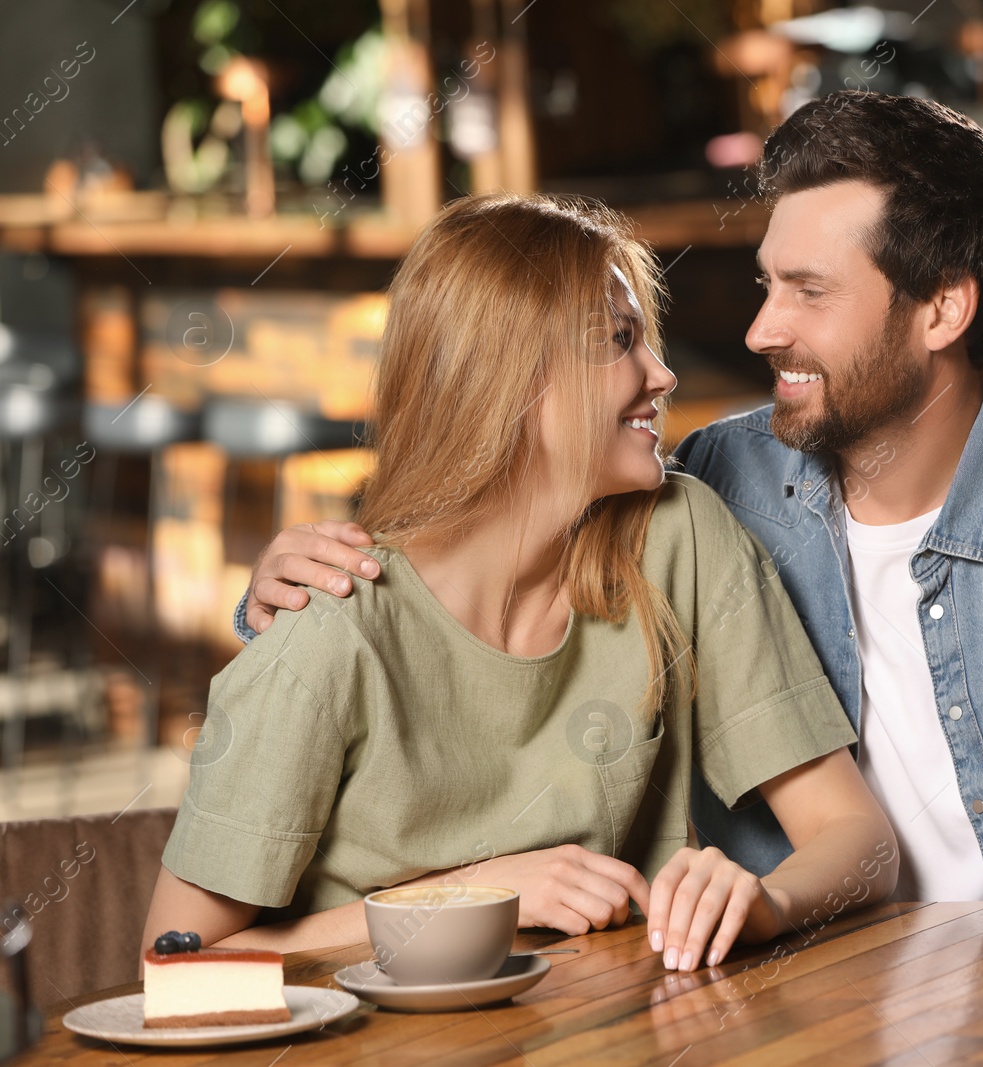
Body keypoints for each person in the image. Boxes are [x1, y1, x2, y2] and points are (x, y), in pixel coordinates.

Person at [237, 92, 983, 902]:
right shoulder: (711, 486)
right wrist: (303, 587)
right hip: (803, 1000)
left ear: (941, 310)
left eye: (808, 292)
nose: (762, 328)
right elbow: (490, 546)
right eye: (768, 283)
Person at [145, 193, 897, 974]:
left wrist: (763, 900)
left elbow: (861, 841)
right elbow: (173, 962)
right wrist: (469, 895)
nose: (662, 374)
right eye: (617, 341)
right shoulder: (330, 623)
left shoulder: (681, 533)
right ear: (509, 379)